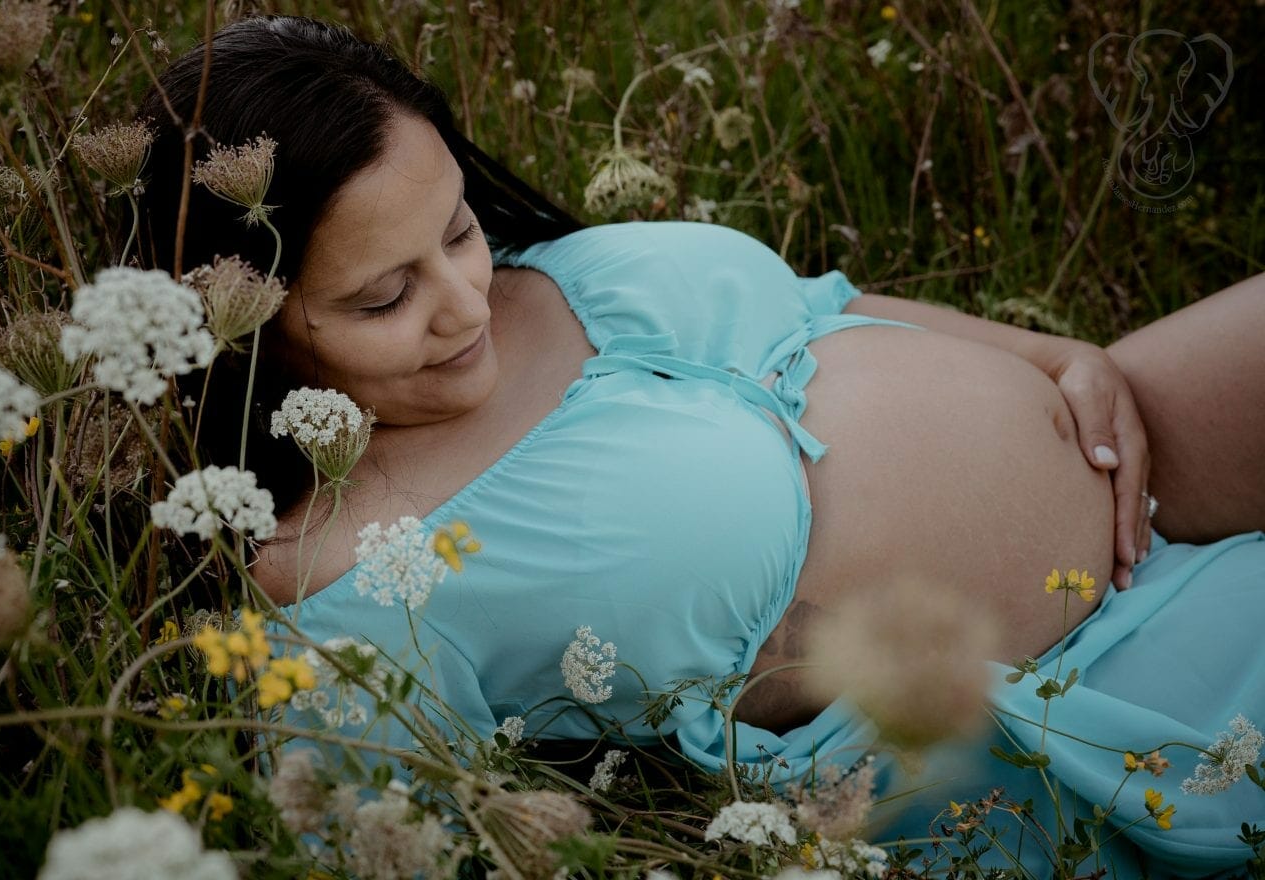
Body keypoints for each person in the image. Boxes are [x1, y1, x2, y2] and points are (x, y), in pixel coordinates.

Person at [136, 15, 1265, 876]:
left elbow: (827, 302)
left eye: (460, 230)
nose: (467, 304)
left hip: (1136, 454)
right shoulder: (335, 578)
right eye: (385, 296)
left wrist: (1058, 355)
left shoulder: (547, 271)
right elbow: (408, 836)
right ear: (248, 328)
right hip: (1067, 702)